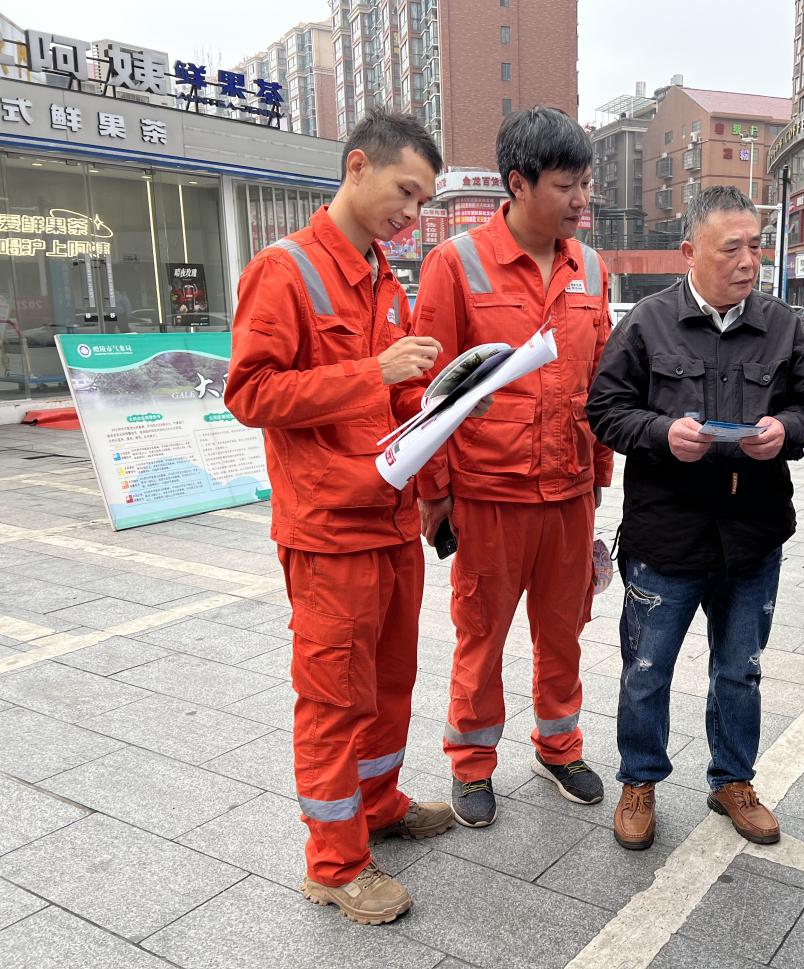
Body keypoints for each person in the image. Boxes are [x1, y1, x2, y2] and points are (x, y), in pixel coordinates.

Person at [225, 108, 453, 925]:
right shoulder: (283, 269)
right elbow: (250, 392)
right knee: (332, 697)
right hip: (328, 531)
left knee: (389, 683)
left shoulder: (384, 277)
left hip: (390, 519)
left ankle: (378, 802)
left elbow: (395, 392)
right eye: (405, 192)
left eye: (423, 201)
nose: (412, 214)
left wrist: (441, 399)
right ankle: (333, 863)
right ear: (357, 167)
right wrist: (372, 373)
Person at [586, 186, 804, 850]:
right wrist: (661, 433)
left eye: (756, 246)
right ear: (690, 252)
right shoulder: (647, 322)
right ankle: (639, 780)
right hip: (666, 534)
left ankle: (733, 780)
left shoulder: (780, 324)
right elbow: (604, 409)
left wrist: (786, 430)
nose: (748, 261)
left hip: (752, 533)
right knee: (646, 668)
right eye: (731, 248)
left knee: (740, 668)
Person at [412, 106, 614, 828]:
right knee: (482, 634)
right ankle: (471, 761)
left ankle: (560, 746)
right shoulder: (456, 264)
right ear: (517, 183)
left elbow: (601, 382)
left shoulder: (591, 267)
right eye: (566, 185)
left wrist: (598, 475)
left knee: (564, 630)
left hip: (568, 490)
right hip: (488, 493)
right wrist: (435, 494)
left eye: (585, 183)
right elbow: (430, 393)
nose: (580, 200)